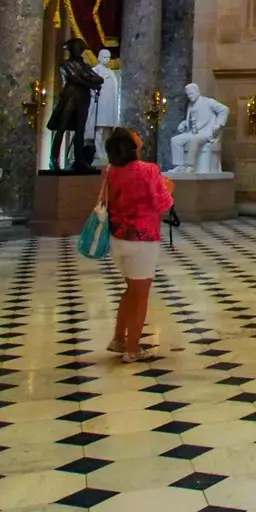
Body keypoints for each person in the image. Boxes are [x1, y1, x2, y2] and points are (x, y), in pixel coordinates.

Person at [101, 127, 173, 362]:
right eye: (136, 136)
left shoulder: (111, 170)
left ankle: (118, 338)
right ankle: (132, 349)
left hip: (118, 237)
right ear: (131, 145)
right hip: (142, 239)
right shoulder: (148, 170)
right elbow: (162, 204)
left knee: (131, 290)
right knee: (141, 295)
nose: (139, 137)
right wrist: (169, 189)